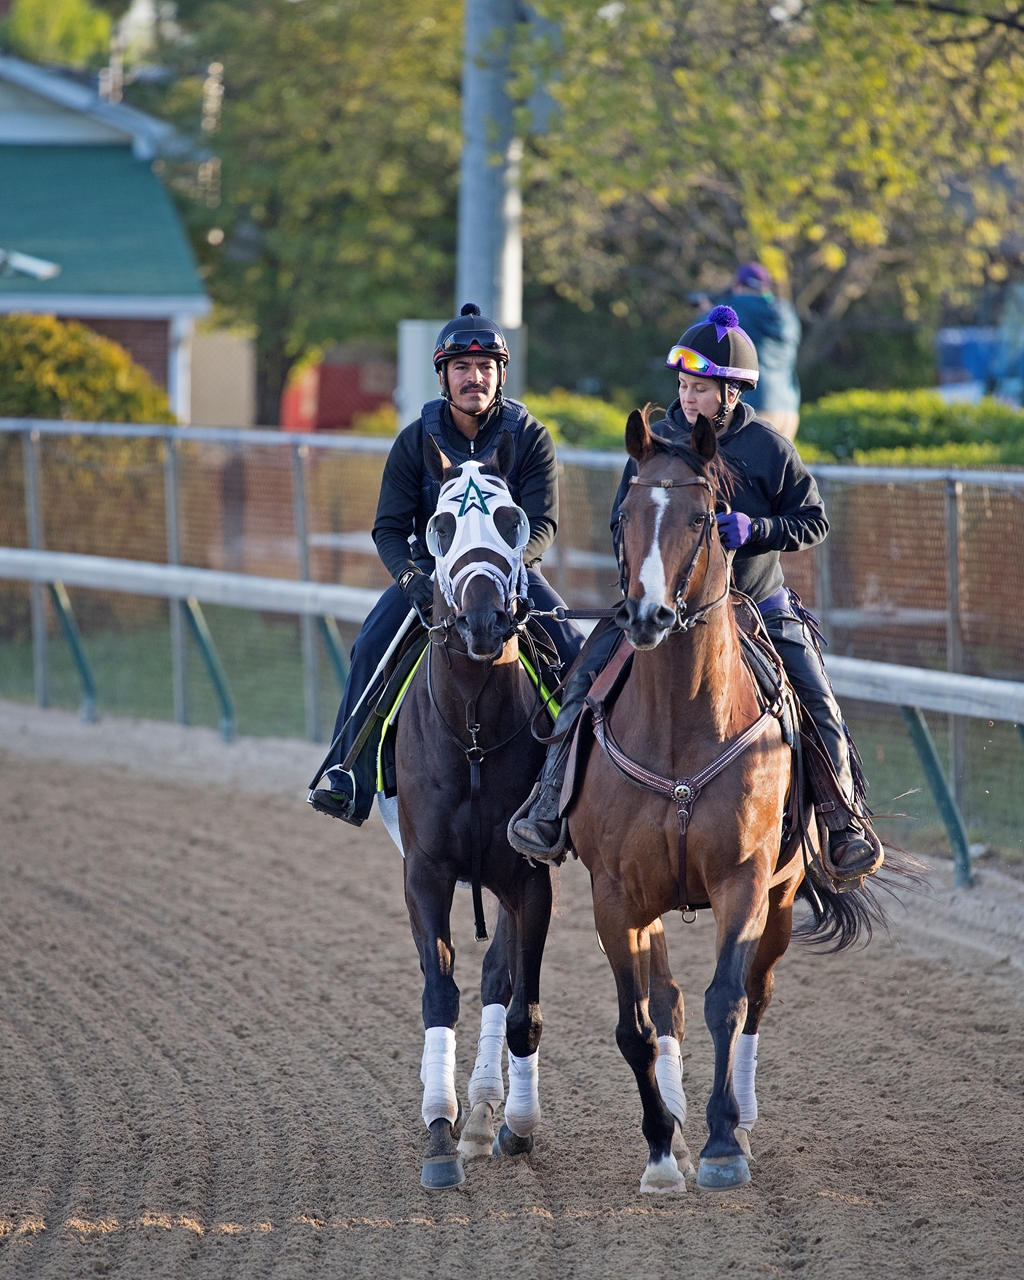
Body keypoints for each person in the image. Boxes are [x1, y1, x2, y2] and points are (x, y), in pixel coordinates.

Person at [511, 305, 881, 882]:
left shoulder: (768, 447)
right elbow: (620, 523)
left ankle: (842, 821)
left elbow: (814, 520)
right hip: (658, 605)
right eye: (683, 386)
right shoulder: (654, 448)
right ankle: (547, 800)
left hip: (758, 607)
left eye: (700, 388)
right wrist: (641, 582)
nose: (687, 398)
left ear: (730, 393)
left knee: (816, 698)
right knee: (581, 683)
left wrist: (758, 531)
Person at [309, 303, 583, 823]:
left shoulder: (531, 438)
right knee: (370, 645)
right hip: (431, 578)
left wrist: (504, 568)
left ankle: (584, 786)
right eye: (461, 367)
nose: (474, 378)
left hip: (513, 578)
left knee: (577, 655)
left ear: (501, 375)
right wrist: (412, 577)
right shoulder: (415, 440)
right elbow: (388, 528)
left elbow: (542, 524)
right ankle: (348, 774)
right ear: (443, 375)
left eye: (485, 368)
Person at [695, 263, 802, 441]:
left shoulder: (734, 308)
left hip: (752, 408)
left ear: (738, 285)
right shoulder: (786, 312)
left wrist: (706, 313)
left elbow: (698, 337)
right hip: (788, 409)